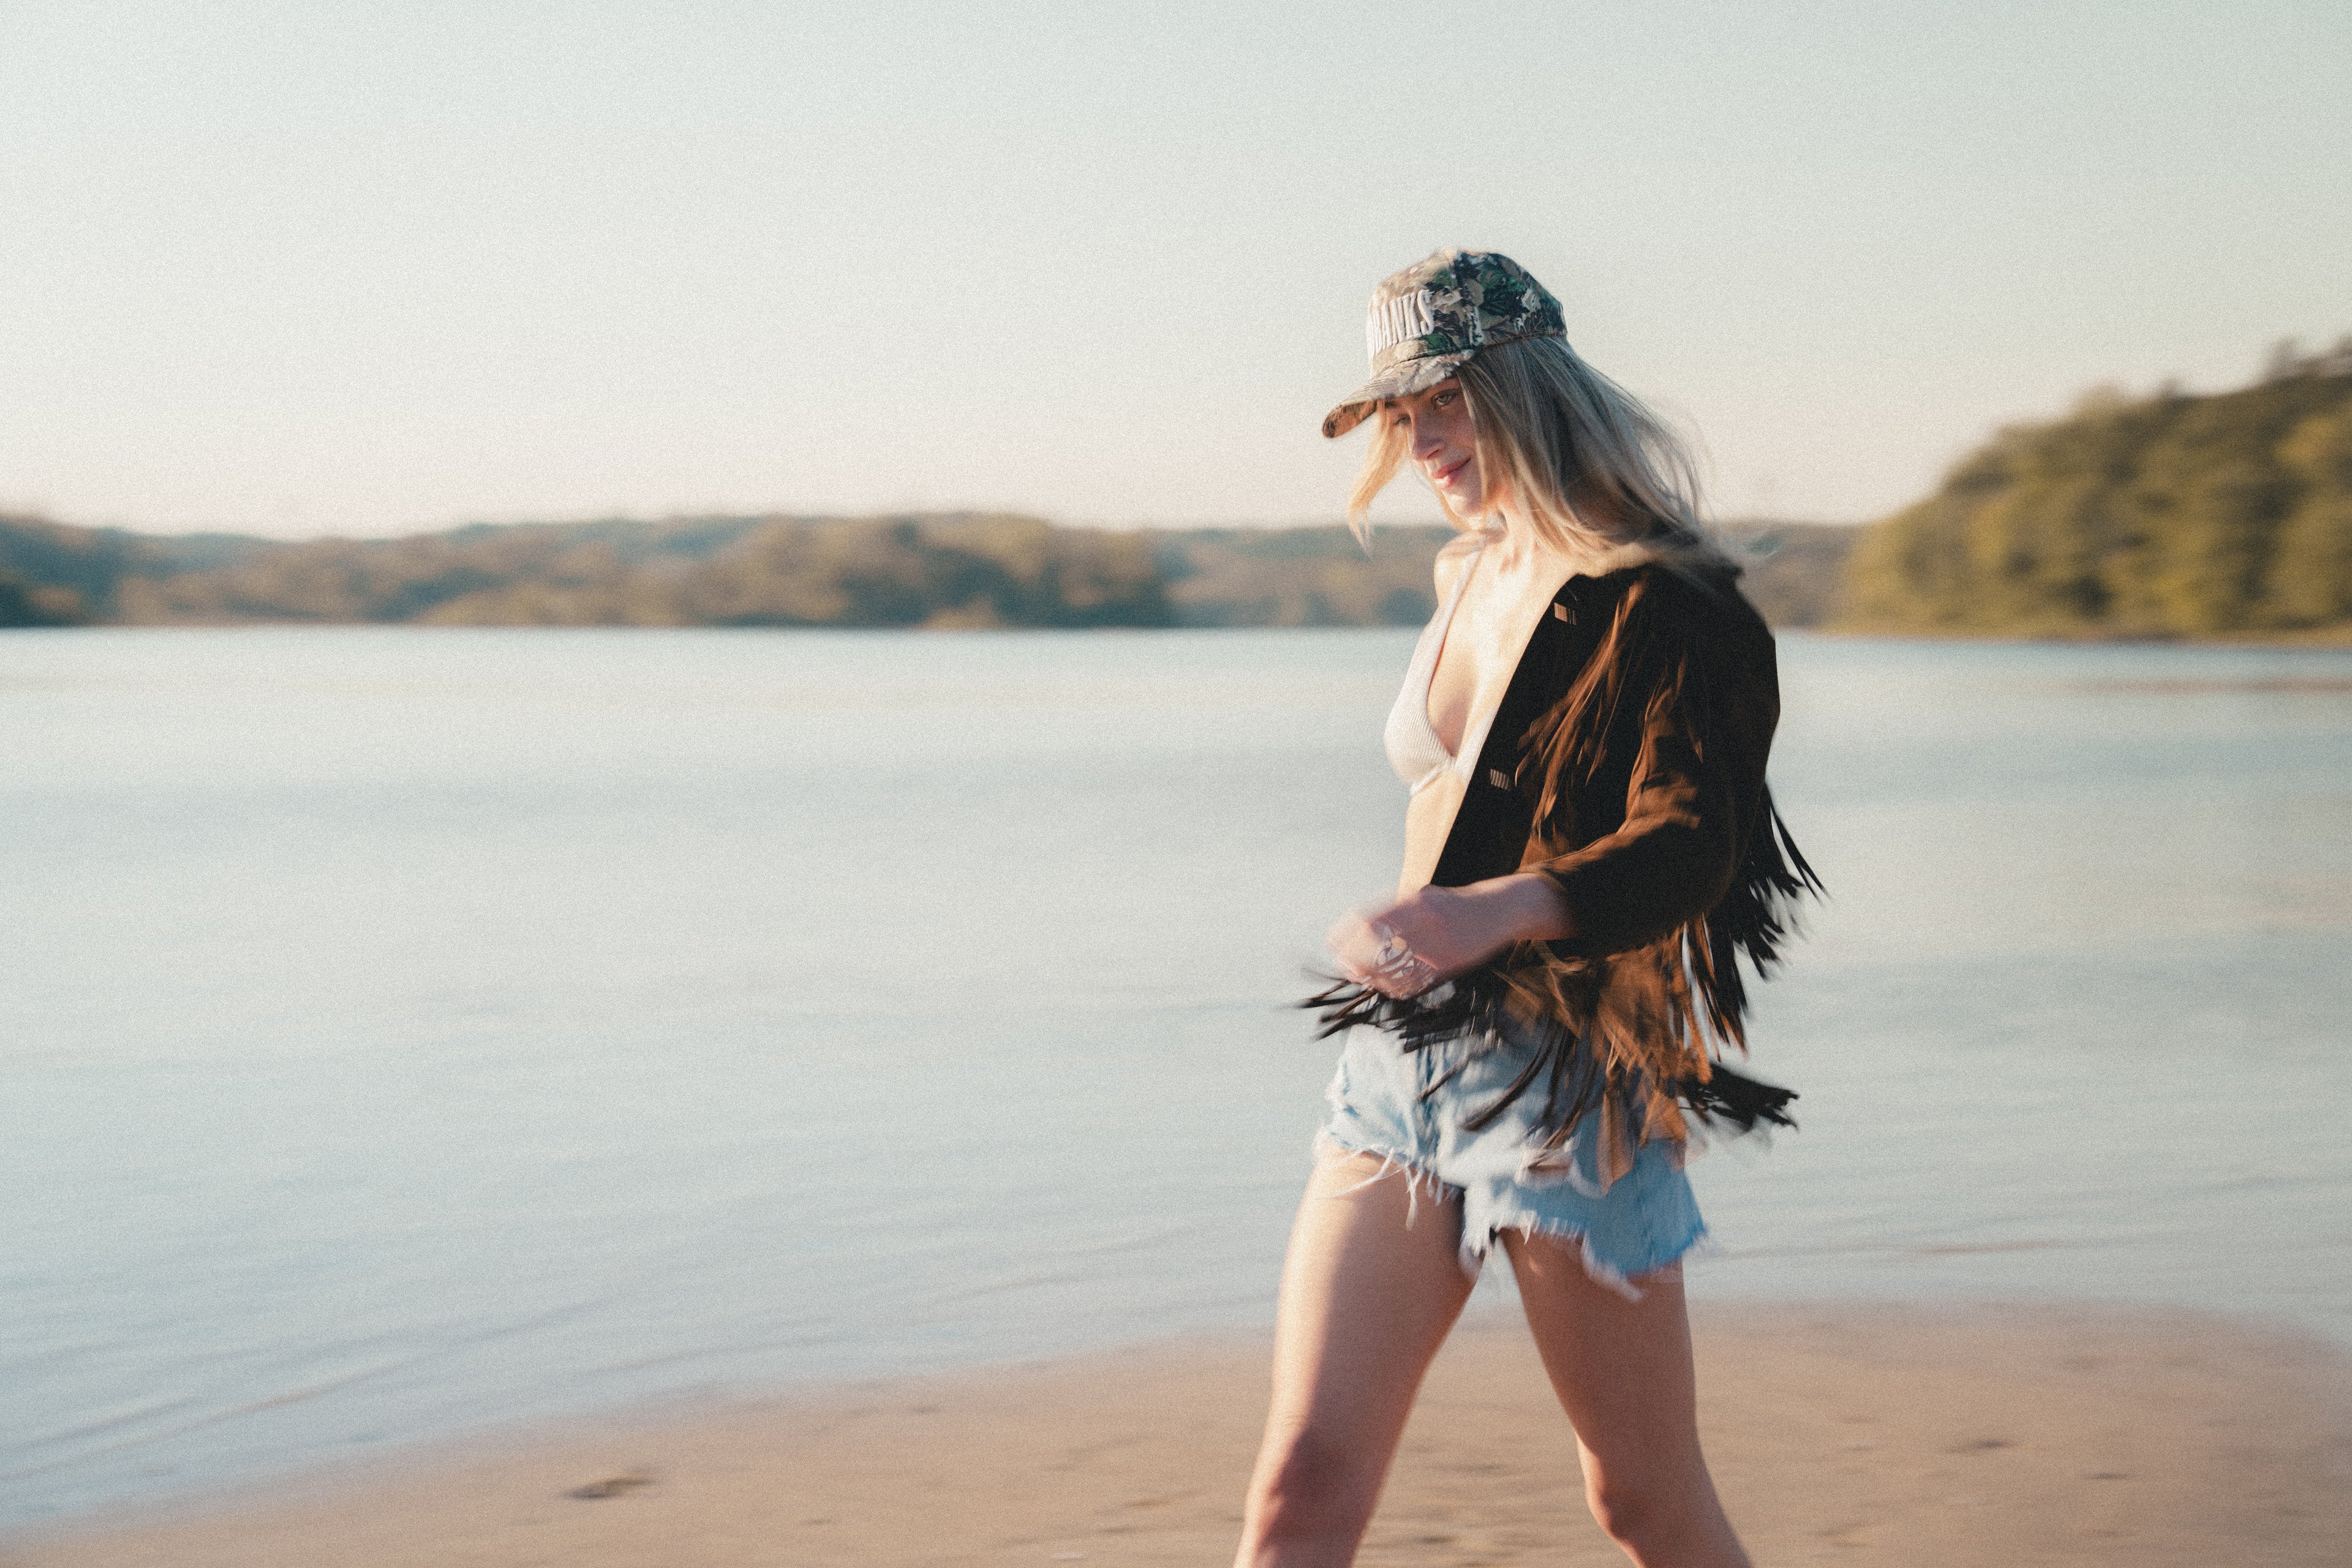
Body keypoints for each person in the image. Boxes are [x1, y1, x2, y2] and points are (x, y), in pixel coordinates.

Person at [1232, 249, 1817, 1568]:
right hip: (1398, 1071)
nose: (1421, 434)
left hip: (1572, 1085)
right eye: (1402, 410)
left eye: (1447, 396)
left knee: (1643, 1502)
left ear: (1529, 385)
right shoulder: (1465, 576)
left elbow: (1695, 844)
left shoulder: (1678, 603)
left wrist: (1494, 908)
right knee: (1302, 1483)